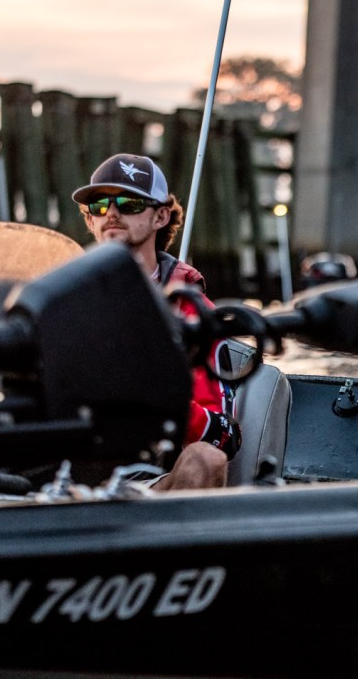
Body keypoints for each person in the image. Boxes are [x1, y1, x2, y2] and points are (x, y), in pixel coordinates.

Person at [72, 153, 240, 490]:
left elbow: (223, 437)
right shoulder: (60, 301)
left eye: (129, 203)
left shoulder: (192, 314)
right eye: (100, 205)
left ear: (161, 216)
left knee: (206, 460)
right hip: (56, 467)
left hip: (141, 483)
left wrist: (153, 398)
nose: (112, 213)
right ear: (90, 220)